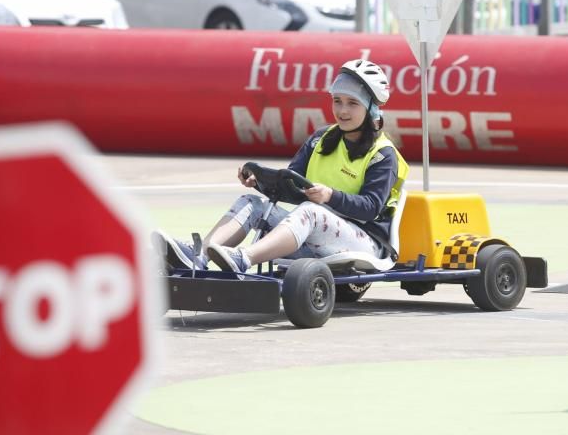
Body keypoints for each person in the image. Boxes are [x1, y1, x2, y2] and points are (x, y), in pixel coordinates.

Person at [153, 60, 409, 275]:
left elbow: (370, 208)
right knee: (252, 202)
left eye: (352, 103)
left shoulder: (383, 155)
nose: (342, 110)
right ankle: (198, 258)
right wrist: (261, 182)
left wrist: (330, 196)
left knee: (311, 210)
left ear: (371, 108)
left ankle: (243, 259)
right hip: (315, 233)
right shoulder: (321, 139)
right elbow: (290, 186)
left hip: (364, 242)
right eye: (337, 101)